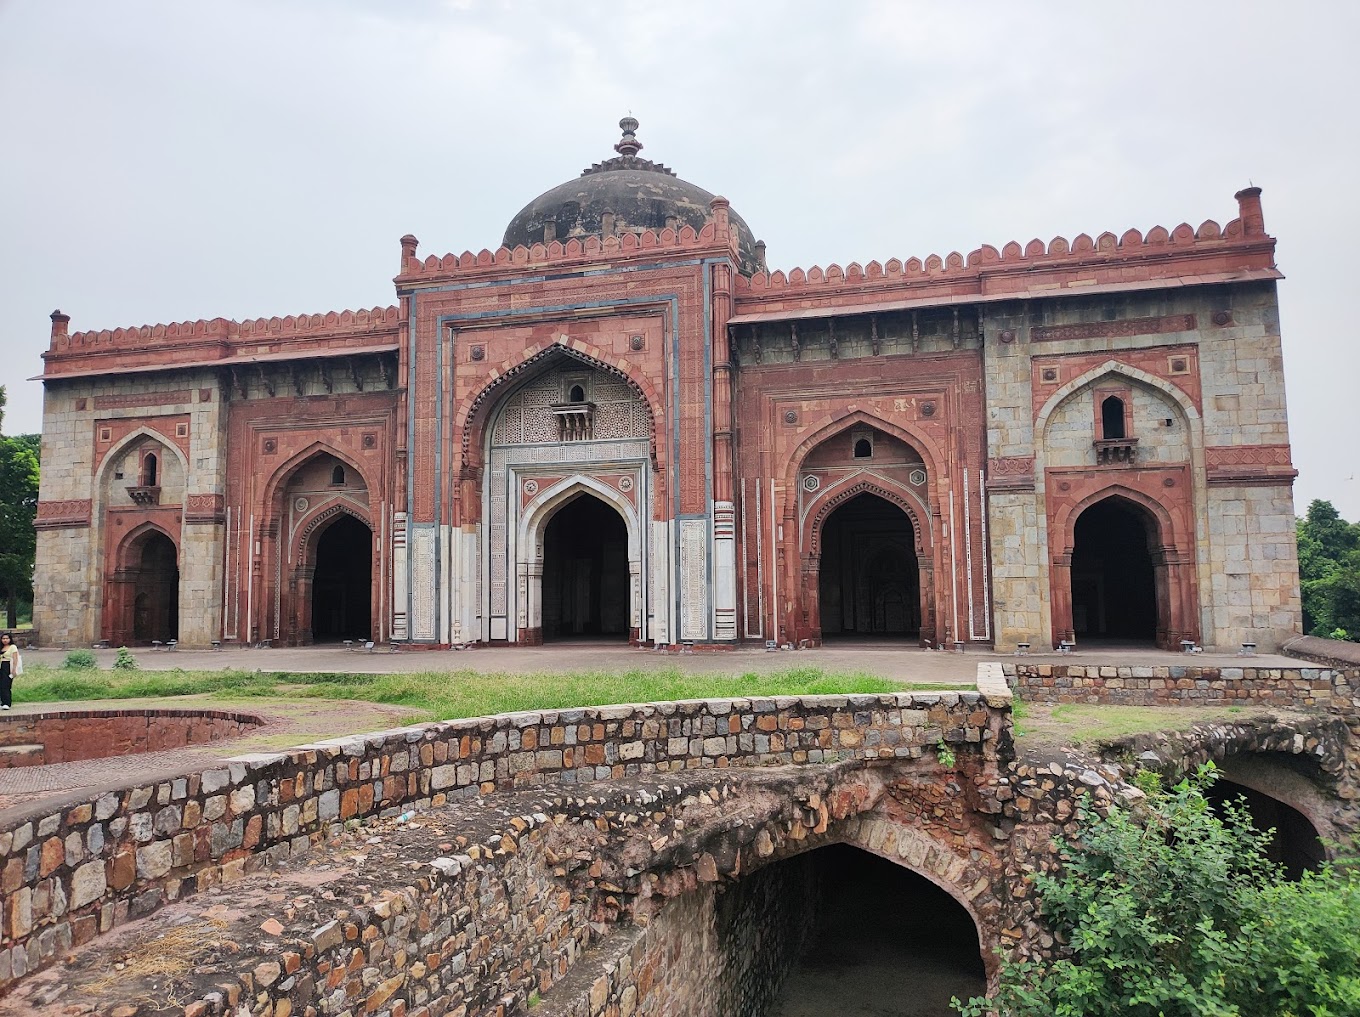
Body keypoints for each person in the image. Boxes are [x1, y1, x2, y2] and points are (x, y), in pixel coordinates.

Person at [0, 633, 18, 710]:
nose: (5, 640)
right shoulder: (1, 647)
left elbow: (15, 658)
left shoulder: (12, 647)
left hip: (8, 666)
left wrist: (13, 669)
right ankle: (2, 702)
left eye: (6, 638)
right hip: (1, 665)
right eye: (3, 638)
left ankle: (7, 703)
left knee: (6, 684)